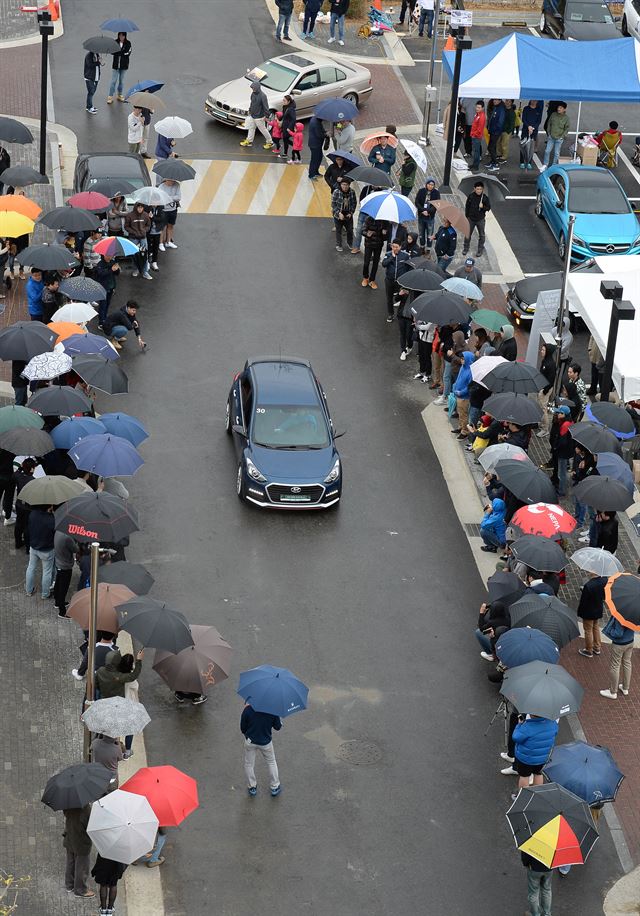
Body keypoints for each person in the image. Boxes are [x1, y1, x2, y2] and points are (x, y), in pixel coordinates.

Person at [241, 702, 282, 797]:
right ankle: (275, 786)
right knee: (271, 762)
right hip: (266, 742)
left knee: (249, 764)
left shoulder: (247, 710)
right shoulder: (272, 710)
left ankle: (252, 787)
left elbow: (243, 728)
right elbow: (278, 727)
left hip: (250, 741)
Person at [512, 713, 558, 796]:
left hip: (526, 759)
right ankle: (536, 796)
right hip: (543, 758)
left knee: (525, 776)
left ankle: (522, 798)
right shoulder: (553, 723)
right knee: (538, 774)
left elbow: (515, 737)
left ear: (531, 714)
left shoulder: (527, 727)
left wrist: (519, 725)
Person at [63, 806, 95, 899]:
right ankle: (80, 890)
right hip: (81, 842)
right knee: (82, 866)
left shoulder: (68, 803)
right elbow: (90, 824)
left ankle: (69, 885)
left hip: (70, 836)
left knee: (70, 861)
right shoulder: (85, 809)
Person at [600, 613, 634, 699]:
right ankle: (625, 688)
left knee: (615, 665)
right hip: (630, 641)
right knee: (627, 663)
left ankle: (613, 692)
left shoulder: (620, 613)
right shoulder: (634, 611)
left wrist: (610, 631)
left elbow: (618, 633)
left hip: (619, 644)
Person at [25, 506, 56, 599]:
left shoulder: (33, 514)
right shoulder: (52, 519)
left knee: (31, 568)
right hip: (47, 550)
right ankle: (45, 594)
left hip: (34, 547)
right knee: (47, 572)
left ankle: (29, 590)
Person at [576, 573, 606, 658]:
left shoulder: (589, 585)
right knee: (595, 627)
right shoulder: (604, 580)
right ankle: (597, 647)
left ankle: (588, 650)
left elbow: (583, 602)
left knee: (588, 630)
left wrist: (579, 612)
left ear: (593, 573)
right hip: (598, 609)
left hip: (589, 611)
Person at [381, 240, 411, 322]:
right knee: (389, 298)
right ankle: (390, 314)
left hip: (400, 282)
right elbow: (384, 264)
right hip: (389, 280)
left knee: (402, 297)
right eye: (393, 246)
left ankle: (401, 313)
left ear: (400, 247)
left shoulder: (405, 256)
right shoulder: (388, 254)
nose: (394, 248)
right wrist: (392, 257)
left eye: (396, 247)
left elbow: (409, 268)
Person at [240, 80, 273, 149]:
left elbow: (266, 107)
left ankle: (270, 142)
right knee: (251, 128)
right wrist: (250, 110)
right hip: (253, 115)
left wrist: (267, 116)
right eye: (252, 88)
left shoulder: (263, 96)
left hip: (259, 117)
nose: (252, 89)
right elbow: (252, 103)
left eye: (253, 88)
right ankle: (249, 141)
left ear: (257, 87)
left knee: (263, 130)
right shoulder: (253, 93)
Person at [463, 181, 491, 258]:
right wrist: (467, 216)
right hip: (471, 219)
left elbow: (488, 208)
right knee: (468, 234)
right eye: (477, 189)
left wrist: (483, 207)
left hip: (480, 219)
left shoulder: (485, 198)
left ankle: (480, 249)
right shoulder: (471, 196)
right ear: (474, 189)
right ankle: (466, 247)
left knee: (481, 235)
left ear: (483, 189)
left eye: (480, 189)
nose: (479, 191)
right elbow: (467, 206)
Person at [53, 529, 77, 616]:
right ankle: (62, 612)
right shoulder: (68, 537)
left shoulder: (58, 531)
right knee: (63, 588)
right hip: (65, 566)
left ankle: (57, 602)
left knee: (58, 583)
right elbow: (75, 549)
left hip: (58, 562)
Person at [12, 457, 34, 549]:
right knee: (27, 526)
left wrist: (21, 468)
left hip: (19, 504)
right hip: (28, 507)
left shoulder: (18, 476)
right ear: (32, 469)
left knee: (19, 523)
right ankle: (28, 547)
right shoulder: (33, 480)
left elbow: (15, 473)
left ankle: (18, 543)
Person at [535, 341, 556, 437]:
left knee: (543, 409)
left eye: (543, 350)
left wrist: (544, 390)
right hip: (541, 388)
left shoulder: (551, 364)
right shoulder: (545, 361)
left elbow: (551, 380)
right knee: (540, 406)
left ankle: (545, 429)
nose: (541, 351)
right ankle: (541, 423)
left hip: (545, 389)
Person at [451, 350, 474, 438]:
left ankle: (464, 431)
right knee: (460, 413)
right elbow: (459, 378)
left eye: (463, 359)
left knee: (464, 414)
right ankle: (460, 427)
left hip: (464, 397)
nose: (461, 360)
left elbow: (469, 386)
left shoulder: (470, 372)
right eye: (461, 358)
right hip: (458, 395)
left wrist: (461, 392)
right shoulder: (463, 367)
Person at [521, 852, 552, 916]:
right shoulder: (554, 842)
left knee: (534, 892)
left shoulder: (531, 841)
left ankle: (535, 914)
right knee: (546, 891)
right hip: (548, 868)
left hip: (534, 868)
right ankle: (546, 914)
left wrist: (526, 864)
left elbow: (525, 856)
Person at [94, 254, 120, 327]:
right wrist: (111, 269)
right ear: (103, 255)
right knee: (103, 305)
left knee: (107, 304)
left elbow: (117, 274)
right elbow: (101, 274)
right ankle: (101, 322)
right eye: (107, 255)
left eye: (110, 255)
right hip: (103, 288)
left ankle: (104, 318)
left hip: (111, 287)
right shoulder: (100, 264)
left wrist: (117, 269)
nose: (109, 257)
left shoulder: (113, 262)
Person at [414, 177, 440, 251]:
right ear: (426, 184)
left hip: (430, 217)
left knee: (430, 234)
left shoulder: (436, 193)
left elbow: (436, 205)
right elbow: (417, 202)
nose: (430, 186)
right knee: (421, 233)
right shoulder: (421, 191)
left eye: (432, 185)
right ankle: (422, 246)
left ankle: (428, 248)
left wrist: (428, 211)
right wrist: (422, 210)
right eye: (429, 184)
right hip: (421, 216)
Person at [331, 178, 356, 252]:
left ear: (349, 185)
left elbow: (354, 203)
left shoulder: (352, 192)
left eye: (346, 185)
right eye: (343, 185)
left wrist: (351, 213)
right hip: (338, 214)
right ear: (340, 185)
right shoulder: (336, 192)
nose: (345, 187)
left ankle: (350, 243)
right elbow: (333, 204)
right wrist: (339, 213)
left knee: (350, 230)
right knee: (338, 230)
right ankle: (339, 244)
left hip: (348, 214)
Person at [542, 101, 569, 169]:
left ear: (564, 109)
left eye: (561, 108)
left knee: (557, 153)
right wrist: (548, 133)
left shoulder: (566, 118)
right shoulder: (553, 114)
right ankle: (545, 164)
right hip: (551, 137)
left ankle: (554, 165)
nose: (559, 109)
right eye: (558, 107)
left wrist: (562, 137)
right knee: (547, 151)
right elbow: (549, 124)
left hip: (559, 138)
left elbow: (567, 128)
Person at [107, 31, 131, 103]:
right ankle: (110, 97)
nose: (121, 37)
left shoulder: (128, 43)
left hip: (124, 66)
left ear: (125, 36)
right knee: (113, 81)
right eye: (120, 36)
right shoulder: (115, 42)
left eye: (122, 36)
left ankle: (119, 95)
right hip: (116, 66)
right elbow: (111, 51)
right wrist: (120, 52)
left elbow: (128, 53)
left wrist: (118, 52)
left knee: (121, 81)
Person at [361, 216, 385, 289]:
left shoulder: (384, 222)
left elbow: (386, 237)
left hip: (378, 245)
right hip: (369, 244)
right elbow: (362, 230)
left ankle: (372, 280)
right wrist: (367, 234)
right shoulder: (369, 219)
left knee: (375, 263)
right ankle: (365, 277)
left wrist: (384, 234)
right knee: (366, 262)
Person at [520, 100, 542, 170]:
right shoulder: (526, 108)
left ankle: (529, 162)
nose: (534, 101)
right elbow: (523, 119)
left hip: (533, 131)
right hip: (525, 130)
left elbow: (539, 121)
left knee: (531, 148)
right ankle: (522, 162)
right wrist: (528, 126)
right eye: (532, 100)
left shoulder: (539, 110)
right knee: (523, 146)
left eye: (535, 100)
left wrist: (533, 128)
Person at [159, 179, 181, 250]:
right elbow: (160, 198)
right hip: (164, 210)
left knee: (170, 225)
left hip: (173, 209)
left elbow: (178, 197)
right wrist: (172, 198)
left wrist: (168, 198)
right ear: (166, 180)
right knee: (162, 227)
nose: (172, 182)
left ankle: (168, 242)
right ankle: (161, 243)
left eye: (173, 180)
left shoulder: (177, 185)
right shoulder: (161, 187)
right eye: (170, 180)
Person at [486, 99, 505, 171]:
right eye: (494, 99)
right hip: (492, 131)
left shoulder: (501, 109)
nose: (494, 101)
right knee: (491, 147)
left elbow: (500, 122)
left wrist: (495, 130)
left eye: (496, 99)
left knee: (491, 147)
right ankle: (492, 161)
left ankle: (496, 163)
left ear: (500, 100)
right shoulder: (496, 107)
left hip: (495, 132)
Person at [307, 115, 326, 180]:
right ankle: (311, 174)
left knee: (319, 157)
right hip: (315, 144)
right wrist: (326, 134)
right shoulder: (316, 123)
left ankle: (315, 172)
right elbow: (319, 134)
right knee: (315, 160)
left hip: (316, 144)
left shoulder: (315, 119)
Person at [470, 101, 486, 171]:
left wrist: (473, 135)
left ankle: (476, 166)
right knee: (475, 151)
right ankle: (474, 164)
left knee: (476, 152)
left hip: (476, 136)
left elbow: (479, 129)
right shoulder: (478, 114)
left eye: (479, 107)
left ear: (482, 108)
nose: (477, 108)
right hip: (475, 135)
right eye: (476, 107)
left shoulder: (481, 117)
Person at [280, 95, 297, 160]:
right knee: (285, 139)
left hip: (288, 127)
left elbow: (293, 119)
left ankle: (285, 153)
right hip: (285, 126)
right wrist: (279, 119)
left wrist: (289, 128)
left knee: (285, 139)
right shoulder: (285, 106)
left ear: (289, 101)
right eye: (283, 100)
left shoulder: (291, 109)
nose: (283, 101)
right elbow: (284, 114)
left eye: (284, 100)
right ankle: (295, 146)